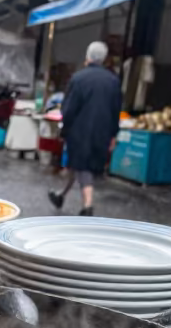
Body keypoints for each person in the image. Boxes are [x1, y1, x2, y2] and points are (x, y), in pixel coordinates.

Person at [48, 41, 121, 217]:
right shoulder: (113, 81)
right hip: (102, 132)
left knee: (83, 166)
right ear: (103, 59)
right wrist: (113, 135)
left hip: (80, 131)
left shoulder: (78, 78)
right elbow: (116, 110)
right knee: (77, 165)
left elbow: (69, 108)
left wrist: (64, 128)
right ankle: (60, 195)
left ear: (87, 56)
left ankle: (88, 205)